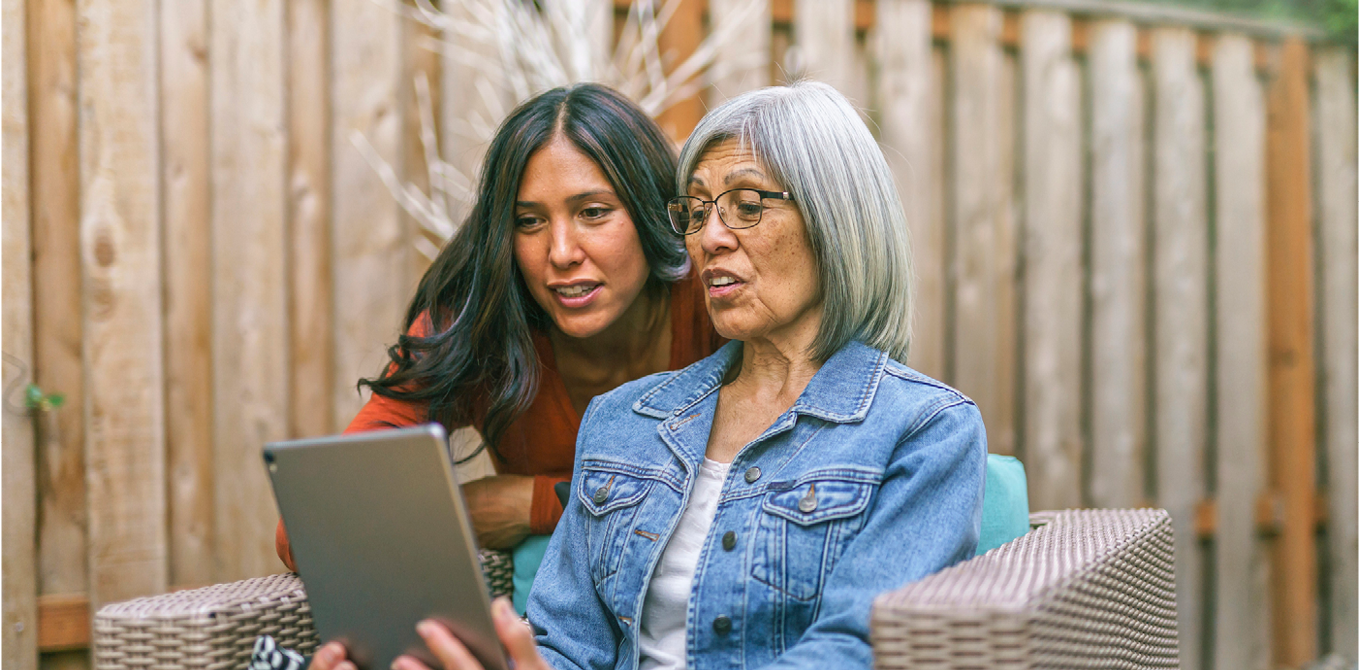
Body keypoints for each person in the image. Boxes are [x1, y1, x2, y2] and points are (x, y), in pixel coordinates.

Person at [311, 81, 986, 670]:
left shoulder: (926, 431)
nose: (709, 238)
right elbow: (564, 644)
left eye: (747, 205)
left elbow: (853, 651)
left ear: (839, 220)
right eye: (695, 212)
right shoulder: (620, 419)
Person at [275, 83, 723, 571]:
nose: (561, 252)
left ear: (652, 210)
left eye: (593, 213)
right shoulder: (482, 321)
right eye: (528, 222)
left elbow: (778, 492)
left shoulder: (715, 298)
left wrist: (534, 503)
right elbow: (307, 531)